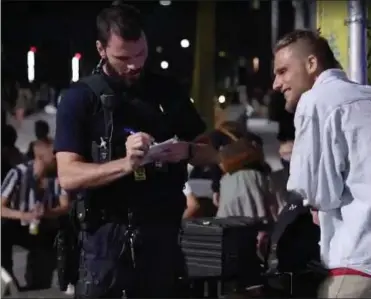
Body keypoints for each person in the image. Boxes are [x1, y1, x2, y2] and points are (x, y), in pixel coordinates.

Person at [54, 2, 220, 298]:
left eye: (141, 53)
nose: (134, 65)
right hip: (104, 245)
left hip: (164, 239)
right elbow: (67, 175)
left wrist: (187, 151)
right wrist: (126, 164)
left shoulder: (167, 92)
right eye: (123, 57)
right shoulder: (79, 99)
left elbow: (211, 151)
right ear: (101, 49)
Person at [272, 29, 371, 298]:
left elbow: (314, 191)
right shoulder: (366, 96)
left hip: (357, 261)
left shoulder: (316, 101)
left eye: (283, 71)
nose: (276, 84)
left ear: (312, 64)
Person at [1, 139, 70, 290]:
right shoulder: (18, 173)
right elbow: (1, 208)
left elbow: (65, 206)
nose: (56, 158)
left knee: (65, 229)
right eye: (53, 155)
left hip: (44, 226)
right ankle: (7, 279)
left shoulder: (58, 176)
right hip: (18, 225)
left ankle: (55, 277)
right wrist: (24, 215)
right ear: (40, 157)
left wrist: (49, 212)